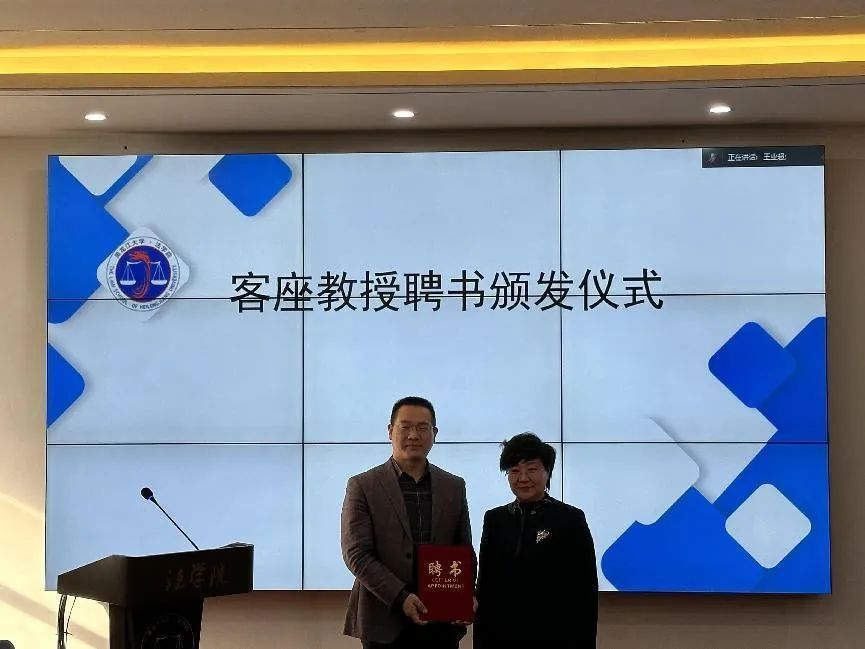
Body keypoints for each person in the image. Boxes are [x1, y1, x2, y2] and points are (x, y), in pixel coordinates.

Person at [341, 396, 475, 649]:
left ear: (434, 434)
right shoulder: (362, 485)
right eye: (405, 427)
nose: (414, 435)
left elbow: (464, 550)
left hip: (441, 620)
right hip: (383, 618)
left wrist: (466, 594)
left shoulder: (454, 486)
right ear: (390, 431)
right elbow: (356, 553)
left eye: (422, 427)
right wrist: (400, 596)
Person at [474, 433, 598, 649]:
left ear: (547, 472)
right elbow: (485, 586)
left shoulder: (570, 518)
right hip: (502, 635)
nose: (523, 478)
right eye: (514, 471)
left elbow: (585, 591)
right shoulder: (494, 519)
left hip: (556, 635)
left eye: (531, 469)